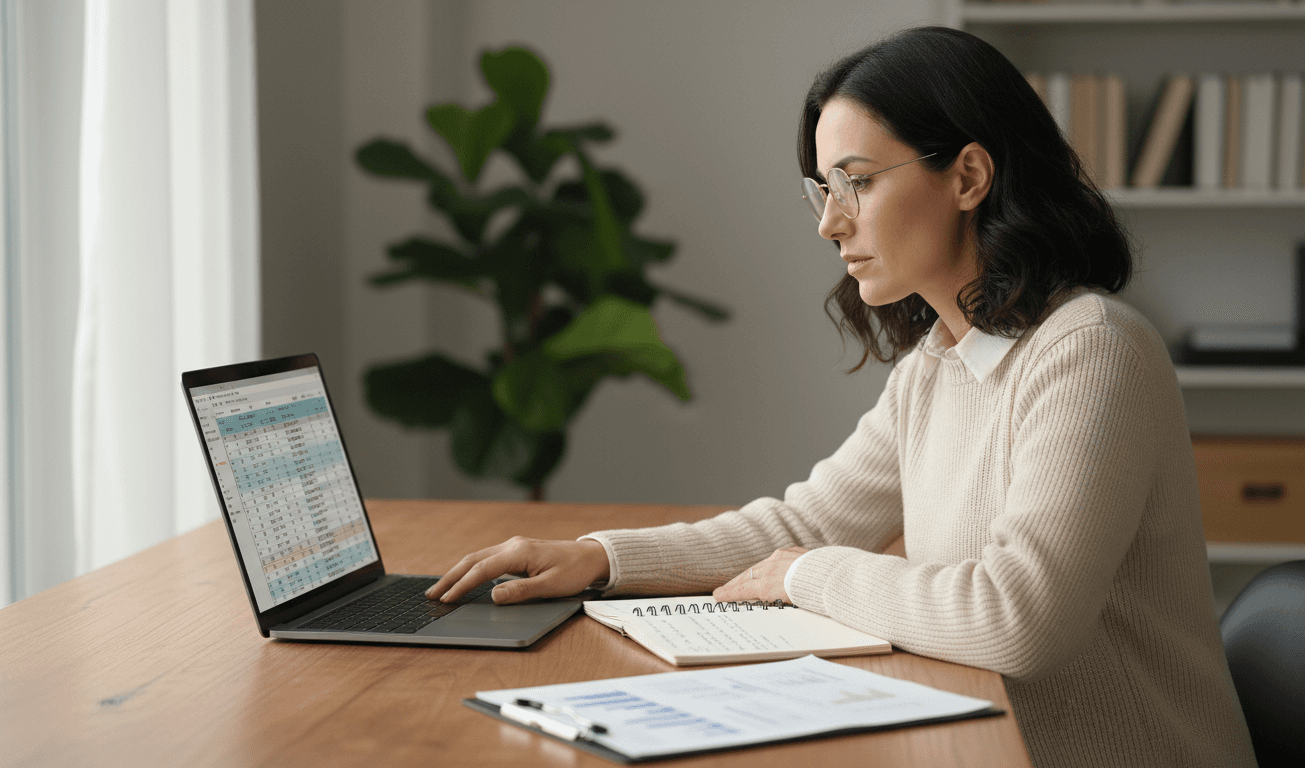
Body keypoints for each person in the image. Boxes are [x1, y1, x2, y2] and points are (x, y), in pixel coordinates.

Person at [425, 26, 1257, 768]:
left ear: (968, 176)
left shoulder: (1093, 350)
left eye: (855, 182)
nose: (830, 223)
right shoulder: (939, 362)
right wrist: (602, 558)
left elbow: (1020, 618)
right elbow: (807, 522)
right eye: (824, 190)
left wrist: (806, 576)